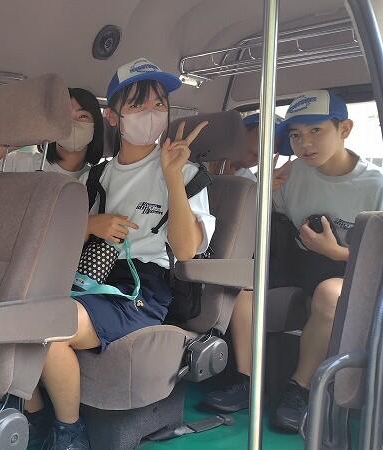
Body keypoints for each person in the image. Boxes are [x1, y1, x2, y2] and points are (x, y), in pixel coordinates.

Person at [28, 58, 215, 450]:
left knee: (48, 328)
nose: (151, 113)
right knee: (15, 316)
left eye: (159, 104)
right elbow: (64, 237)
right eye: (137, 105)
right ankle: (34, 418)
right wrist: (91, 224)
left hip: (143, 288)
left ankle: (69, 435)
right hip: (91, 275)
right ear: (112, 117)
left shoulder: (186, 173)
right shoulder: (98, 175)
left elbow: (186, 250)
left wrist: (171, 178)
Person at [203, 90, 383, 432]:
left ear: (344, 129)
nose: (305, 143)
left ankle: (299, 389)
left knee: (329, 295)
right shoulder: (291, 173)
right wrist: (265, 190)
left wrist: (337, 253)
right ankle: (248, 380)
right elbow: (264, 222)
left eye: (316, 130)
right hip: (296, 260)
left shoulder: (375, 185)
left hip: (350, 269)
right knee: (241, 282)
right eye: (296, 135)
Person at [0, 88, 103, 181]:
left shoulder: (97, 179)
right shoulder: (20, 163)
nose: (72, 123)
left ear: (95, 127)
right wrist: (13, 143)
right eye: (64, 116)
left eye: (83, 116)